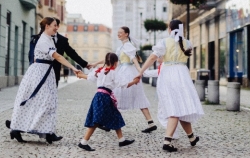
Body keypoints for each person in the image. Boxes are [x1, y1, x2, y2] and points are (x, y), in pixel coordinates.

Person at [7, 17, 80, 144]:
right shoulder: (43, 41)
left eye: (57, 25)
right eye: (54, 25)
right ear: (47, 26)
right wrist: (73, 67)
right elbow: (57, 56)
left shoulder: (49, 39)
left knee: (48, 102)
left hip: (47, 72)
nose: (57, 28)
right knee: (40, 101)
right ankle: (17, 128)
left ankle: (46, 132)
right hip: (39, 73)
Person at [137, 20, 204, 152]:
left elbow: (152, 58)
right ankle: (179, 139)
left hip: (168, 74)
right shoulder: (188, 43)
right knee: (180, 107)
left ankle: (179, 139)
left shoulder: (164, 42)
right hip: (182, 75)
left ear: (169, 28)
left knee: (177, 107)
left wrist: (141, 71)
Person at [75, 52, 140, 151]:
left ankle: (121, 140)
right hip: (105, 97)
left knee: (115, 116)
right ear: (115, 62)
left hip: (98, 96)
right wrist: (134, 82)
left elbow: (89, 77)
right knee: (96, 121)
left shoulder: (100, 71)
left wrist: (80, 75)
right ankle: (83, 142)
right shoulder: (113, 72)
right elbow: (123, 85)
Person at [113, 26, 157, 133]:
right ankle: (151, 123)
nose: (118, 34)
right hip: (124, 70)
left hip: (128, 72)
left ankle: (109, 122)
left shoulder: (128, 46)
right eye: (118, 32)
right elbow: (115, 60)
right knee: (138, 96)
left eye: (120, 33)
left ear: (126, 34)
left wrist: (140, 72)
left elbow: (134, 60)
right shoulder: (122, 47)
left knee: (117, 95)